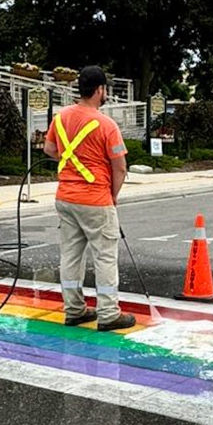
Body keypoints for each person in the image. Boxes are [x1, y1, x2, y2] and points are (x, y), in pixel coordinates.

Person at [44, 65, 136, 332]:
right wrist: (113, 195)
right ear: (100, 90)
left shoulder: (61, 118)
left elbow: (50, 148)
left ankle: (74, 310)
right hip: (95, 199)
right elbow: (120, 167)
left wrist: (71, 160)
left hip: (65, 197)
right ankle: (108, 313)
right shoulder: (106, 125)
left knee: (71, 256)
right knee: (105, 256)